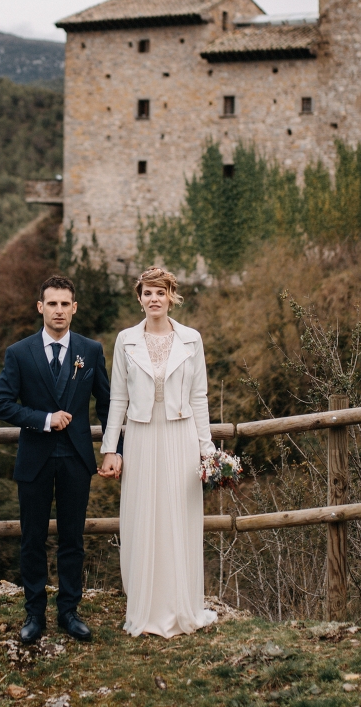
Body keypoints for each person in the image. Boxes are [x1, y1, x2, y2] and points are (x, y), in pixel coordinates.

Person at [0, 274, 111, 644]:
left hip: (76, 458)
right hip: (35, 459)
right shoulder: (19, 352)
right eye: (52, 304)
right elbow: (0, 403)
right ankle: (34, 613)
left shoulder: (90, 351)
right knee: (33, 539)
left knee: (73, 539)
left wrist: (113, 448)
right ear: (41, 307)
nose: (59, 310)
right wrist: (43, 419)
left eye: (65, 304)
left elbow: (107, 403)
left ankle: (69, 612)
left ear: (74, 308)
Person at [98, 266, 218, 638]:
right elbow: (117, 397)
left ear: (171, 297)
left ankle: (181, 606)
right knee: (143, 516)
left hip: (181, 434)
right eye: (148, 293)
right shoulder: (125, 340)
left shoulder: (191, 339)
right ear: (139, 298)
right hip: (142, 436)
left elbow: (199, 396)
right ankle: (145, 609)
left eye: (160, 293)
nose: (154, 299)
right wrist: (110, 449)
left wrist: (206, 448)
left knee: (179, 516)